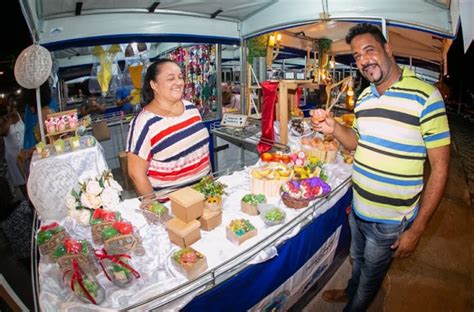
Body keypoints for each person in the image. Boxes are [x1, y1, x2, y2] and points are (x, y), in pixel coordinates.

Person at [311, 24, 450, 311]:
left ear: (388, 49)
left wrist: (417, 229)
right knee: (357, 260)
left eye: (369, 50)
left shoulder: (425, 96)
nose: (363, 60)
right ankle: (350, 290)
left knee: (369, 281)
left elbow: (440, 169)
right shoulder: (364, 98)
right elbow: (355, 143)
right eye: (356, 55)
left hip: (390, 221)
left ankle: (356, 303)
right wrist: (334, 127)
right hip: (359, 207)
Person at [126, 59, 211, 199]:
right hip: (173, 205)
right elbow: (136, 174)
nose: (178, 82)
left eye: (180, 77)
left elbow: (202, 153)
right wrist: (156, 209)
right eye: (170, 78)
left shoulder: (191, 108)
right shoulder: (144, 123)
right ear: (154, 85)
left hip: (205, 194)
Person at [0, 100, 27, 198]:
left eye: (14, 105)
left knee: (29, 178)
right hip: (13, 157)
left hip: (24, 154)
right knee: (22, 182)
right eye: (10, 106)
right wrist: (10, 119)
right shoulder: (3, 120)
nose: (12, 108)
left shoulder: (20, 116)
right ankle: (29, 205)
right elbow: (3, 132)